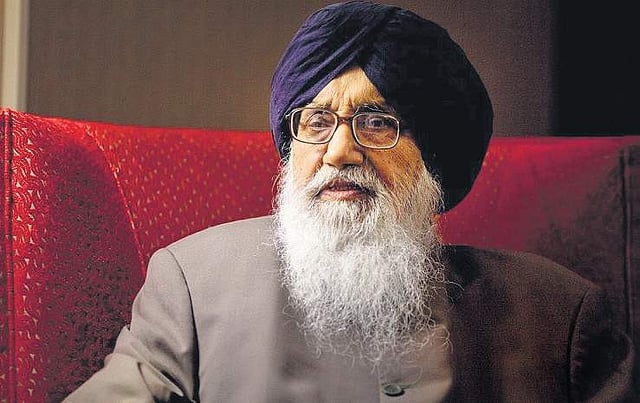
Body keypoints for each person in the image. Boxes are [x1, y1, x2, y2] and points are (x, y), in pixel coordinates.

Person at [65, 1, 636, 402]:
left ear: (434, 157)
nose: (340, 152)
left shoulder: (561, 314)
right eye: (317, 121)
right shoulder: (192, 284)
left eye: (378, 121)